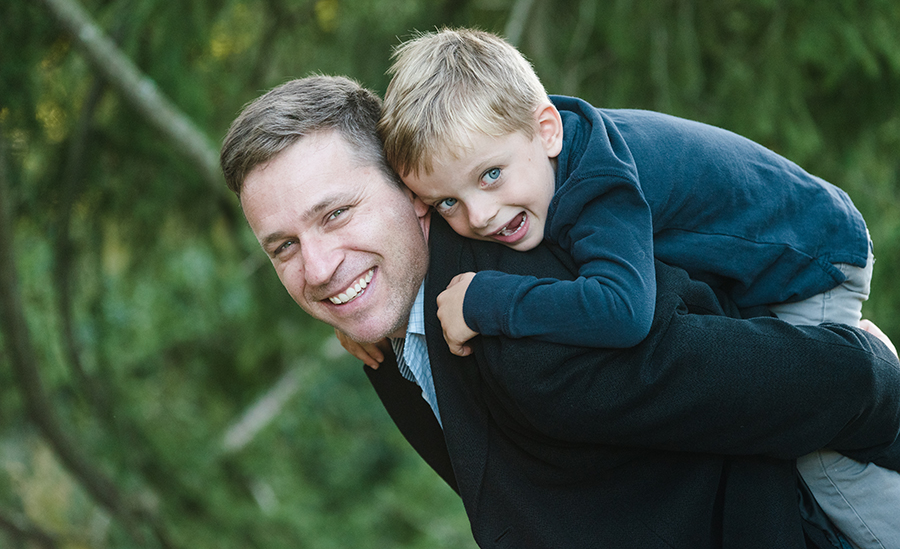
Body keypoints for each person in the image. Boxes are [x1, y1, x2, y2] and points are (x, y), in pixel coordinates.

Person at [220, 75, 900, 549]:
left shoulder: (531, 326)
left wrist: (872, 369)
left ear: (411, 193)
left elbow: (823, 382)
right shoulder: (393, 339)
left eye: (336, 214)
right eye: (284, 246)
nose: (318, 267)